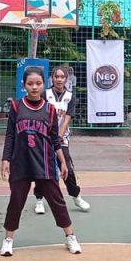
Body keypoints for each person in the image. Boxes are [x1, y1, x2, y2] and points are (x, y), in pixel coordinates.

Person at [0, 67, 81, 256]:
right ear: (24, 85)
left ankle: (70, 237)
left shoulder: (49, 109)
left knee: (57, 201)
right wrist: (5, 158)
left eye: (38, 83)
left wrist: (63, 162)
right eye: (30, 83)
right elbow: (10, 135)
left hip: (44, 163)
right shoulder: (16, 107)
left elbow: (55, 140)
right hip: (21, 162)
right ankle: (8, 240)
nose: (34, 87)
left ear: (44, 84)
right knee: (16, 201)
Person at [33, 66, 90, 214]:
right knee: (42, 169)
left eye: (62, 77)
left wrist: (58, 136)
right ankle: (39, 200)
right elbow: (40, 115)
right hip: (44, 136)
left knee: (67, 169)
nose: (59, 79)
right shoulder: (45, 94)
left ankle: (76, 196)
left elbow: (67, 119)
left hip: (61, 138)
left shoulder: (70, 97)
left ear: (66, 79)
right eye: (56, 76)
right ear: (52, 78)